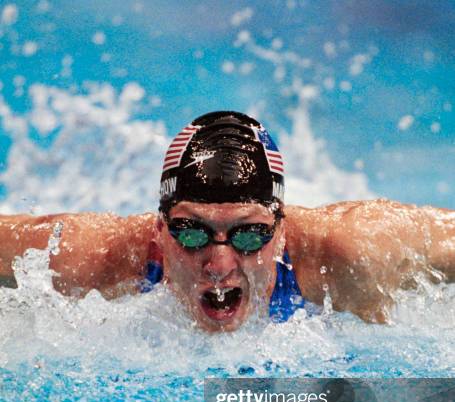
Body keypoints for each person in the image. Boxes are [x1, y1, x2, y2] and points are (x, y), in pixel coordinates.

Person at [1, 110, 454, 331]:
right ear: (159, 230)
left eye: (249, 234)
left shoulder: (353, 252)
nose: (218, 263)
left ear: (280, 233)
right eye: (191, 231)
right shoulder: (95, 256)